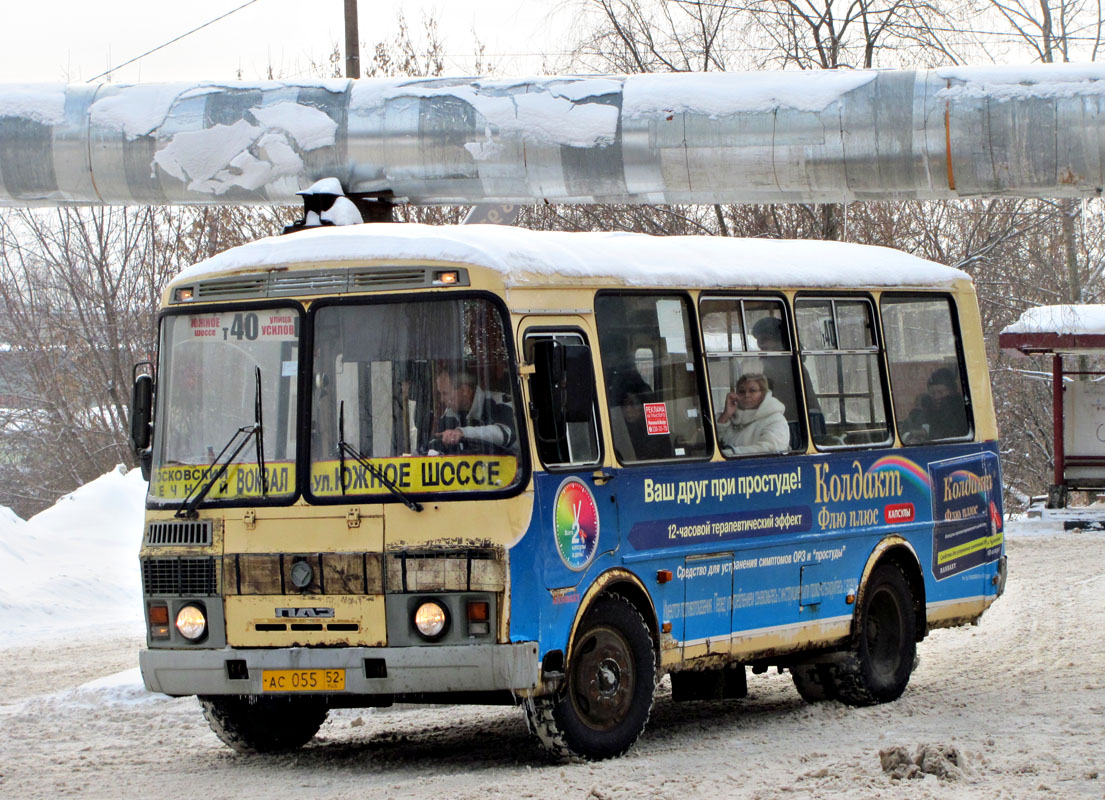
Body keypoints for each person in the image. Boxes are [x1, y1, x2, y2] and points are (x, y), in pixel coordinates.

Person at [431, 369, 518, 453]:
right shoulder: (450, 413)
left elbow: (504, 434)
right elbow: (435, 444)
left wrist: (462, 433)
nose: (442, 399)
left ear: (464, 390)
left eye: (445, 393)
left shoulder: (500, 403)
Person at [715, 373, 790, 456]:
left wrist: (730, 453)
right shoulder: (732, 418)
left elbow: (771, 449)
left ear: (763, 394)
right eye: (742, 391)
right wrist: (725, 415)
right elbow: (710, 443)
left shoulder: (775, 419)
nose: (746, 395)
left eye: (752, 391)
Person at [609, 376, 673, 461]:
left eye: (633, 404)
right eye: (624, 405)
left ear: (644, 406)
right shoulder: (615, 432)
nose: (628, 409)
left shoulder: (656, 433)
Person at [902, 367, 969, 442]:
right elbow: (907, 428)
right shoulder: (924, 411)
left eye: (941, 392)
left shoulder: (962, 413)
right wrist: (910, 437)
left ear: (952, 391)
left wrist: (927, 434)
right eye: (932, 393)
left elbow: (954, 435)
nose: (936, 397)